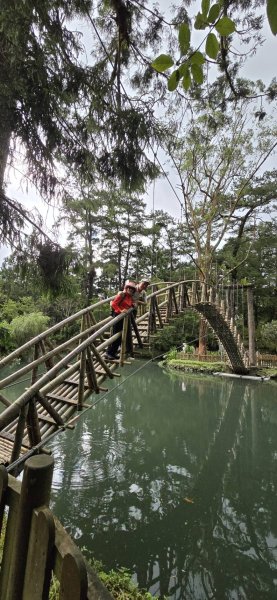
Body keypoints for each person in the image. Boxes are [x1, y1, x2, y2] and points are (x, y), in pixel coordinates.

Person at [105, 281, 136, 360]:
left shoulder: (129, 297)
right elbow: (113, 304)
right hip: (118, 316)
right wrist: (120, 310)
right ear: (126, 288)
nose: (130, 290)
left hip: (124, 318)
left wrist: (133, 305)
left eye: (132, 289)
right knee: (116, 335)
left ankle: (113, 353)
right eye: (129, 288)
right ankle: (109, 353)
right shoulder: (122, 295)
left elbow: (129, 304)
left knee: (121, 336)